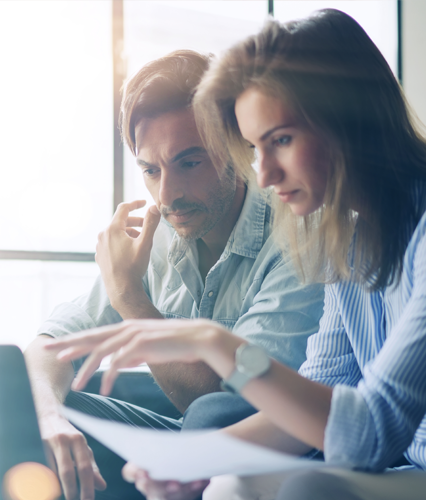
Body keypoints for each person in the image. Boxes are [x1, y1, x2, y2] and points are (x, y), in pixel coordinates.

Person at [46, 10, 426, 500]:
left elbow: (368, 435)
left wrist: (214, 342)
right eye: (256, 149)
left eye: (280, 140)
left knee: (309, 489)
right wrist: (193, 462)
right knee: (233, 483)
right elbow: (310, 412)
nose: (263, 174)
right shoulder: (349, 244)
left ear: (347, 122)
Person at [24, 49, 324, 500]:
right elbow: (55, 343)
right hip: (184, 434)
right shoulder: (159, 232)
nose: (169, 195)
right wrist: (47, 418)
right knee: (25, 416)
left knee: (206, 421)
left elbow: (232, 405)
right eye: (150, 170)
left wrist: (130, 299)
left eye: (189, 162)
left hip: (272, 444)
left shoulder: (299, 234)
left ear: (237, 148)